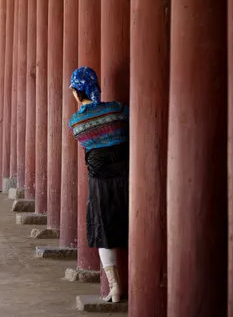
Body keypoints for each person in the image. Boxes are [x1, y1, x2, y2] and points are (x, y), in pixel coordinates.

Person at [68, 67, 129, 303]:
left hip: (99, 183)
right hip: (127, 178)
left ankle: (115, 288)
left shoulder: (77, 121)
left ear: (76, 91)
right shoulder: (116, 109)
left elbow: (87, 142)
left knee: (103, 231)